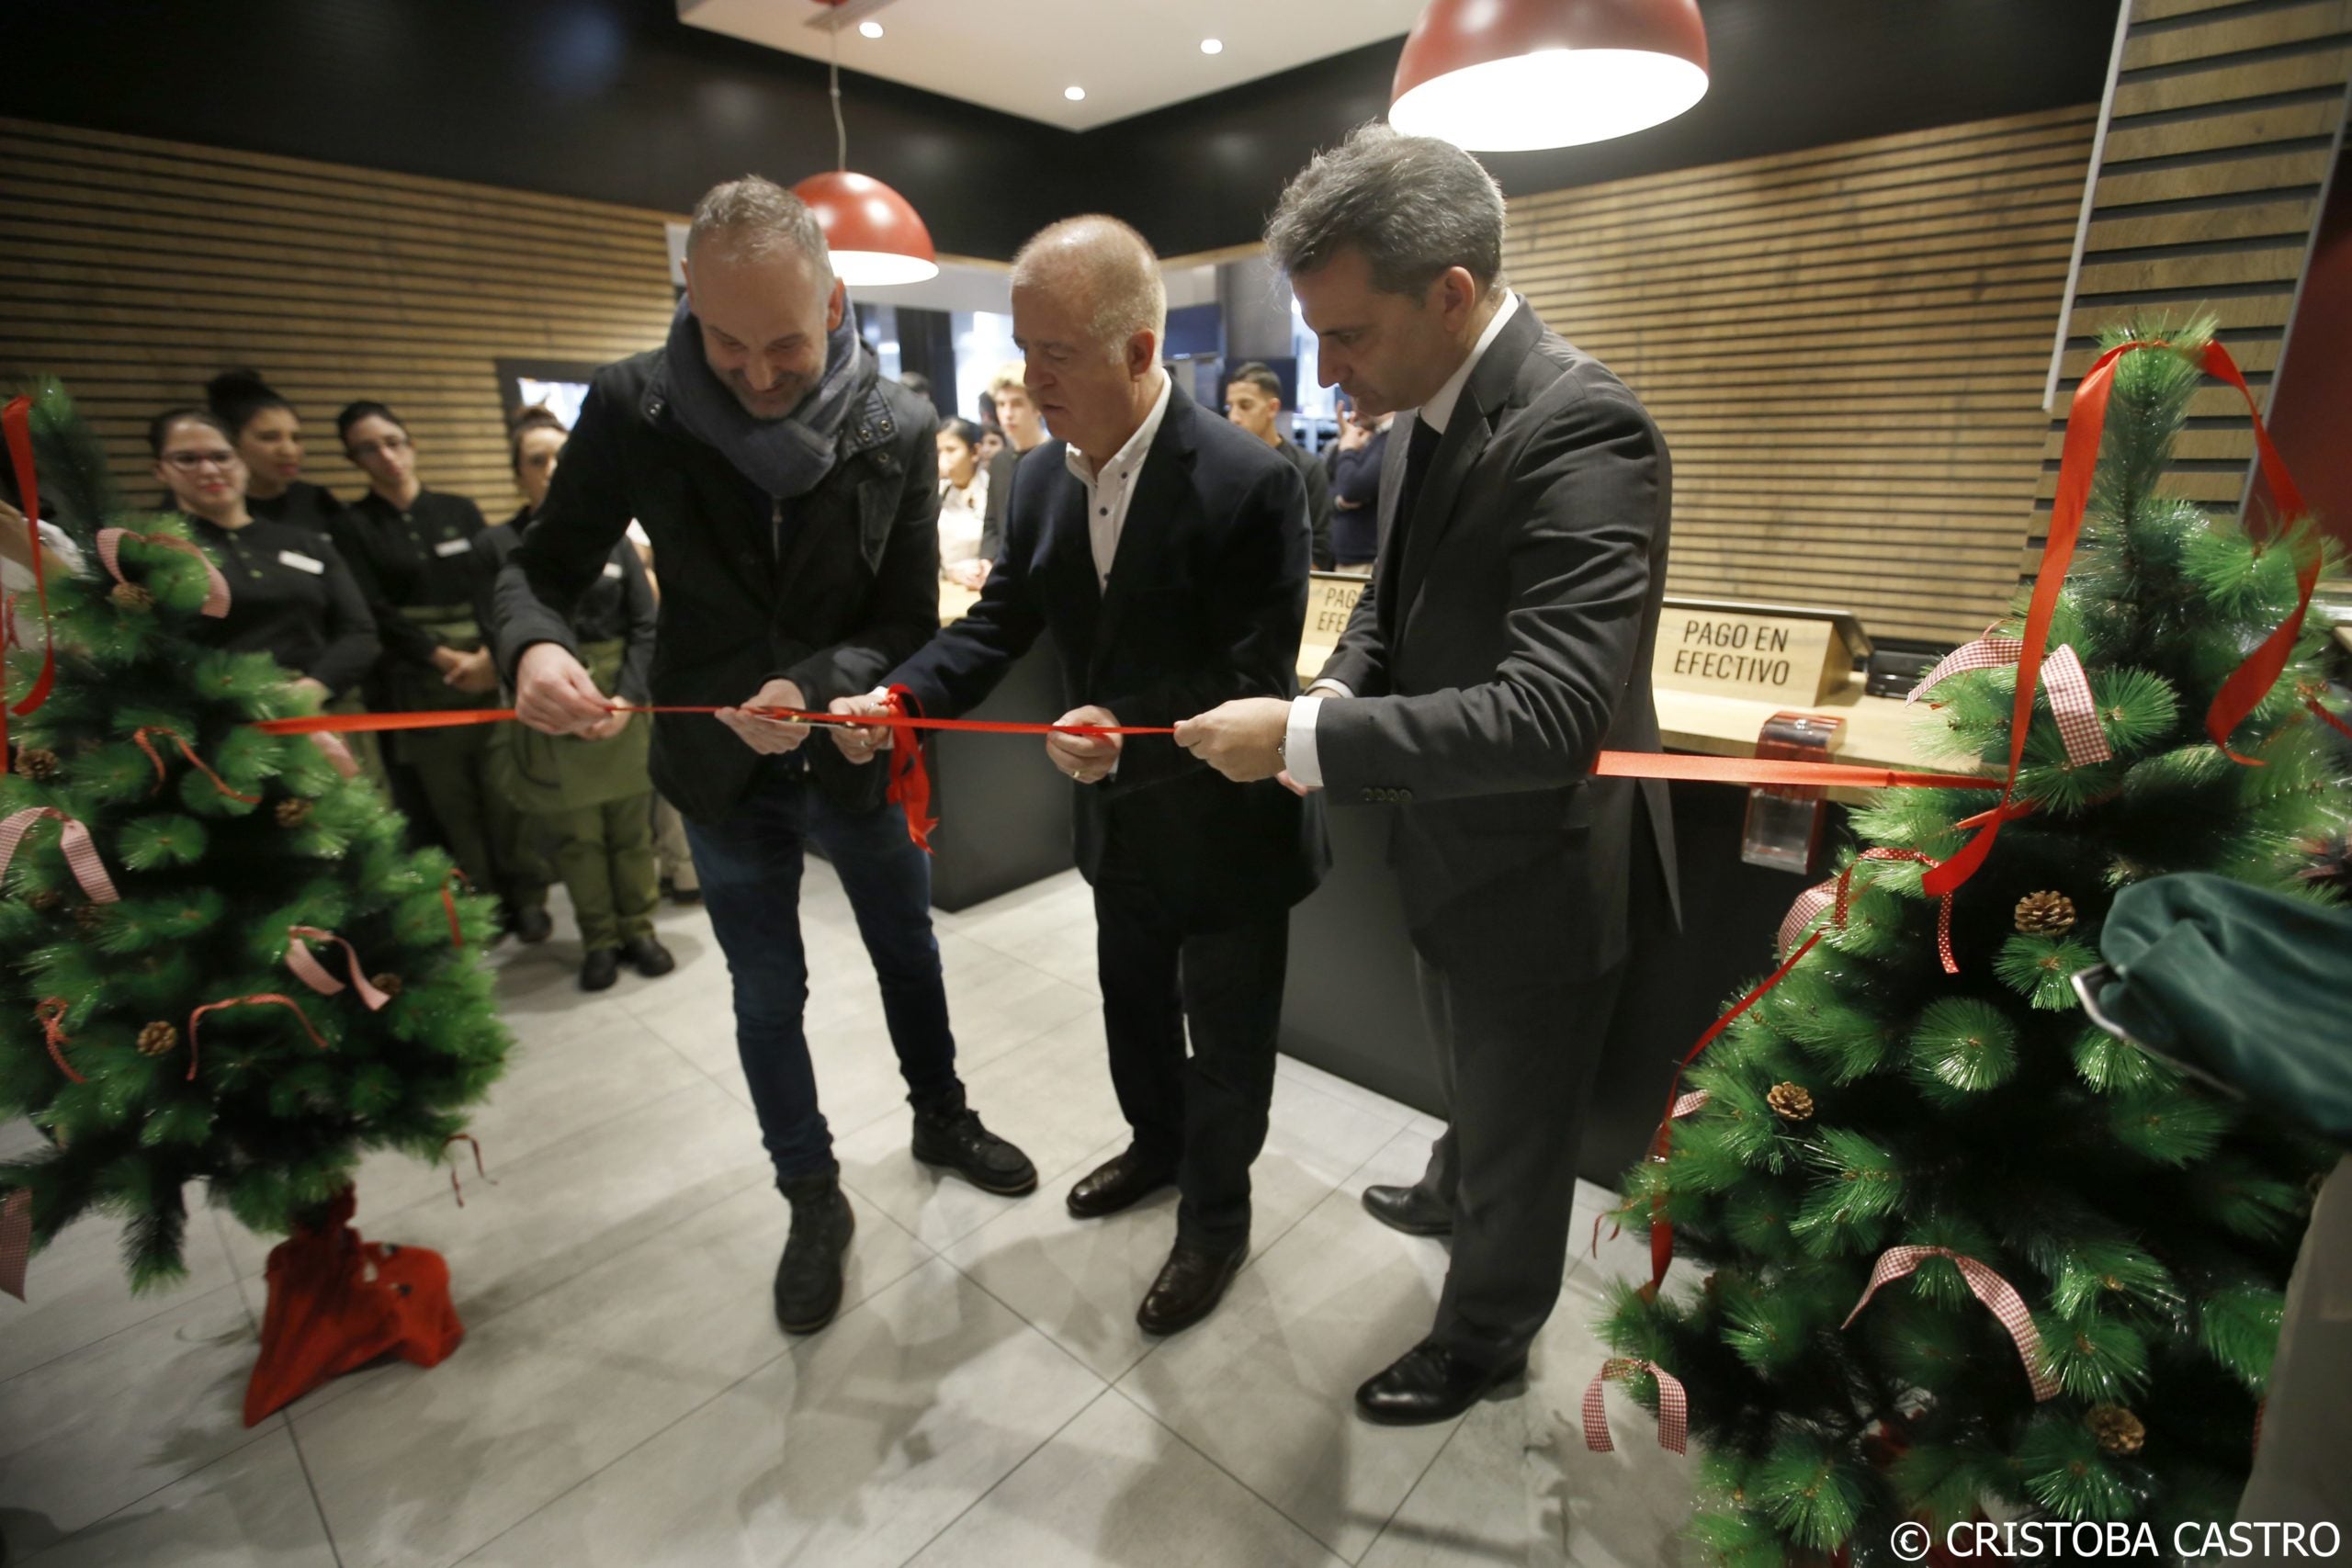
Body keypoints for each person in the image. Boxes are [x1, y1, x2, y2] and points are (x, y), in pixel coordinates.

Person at [1176, 124, 1681, 1423]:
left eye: (1347, 335)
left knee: (1524, 1109)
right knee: (1473, 1067)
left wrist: (1303, 742)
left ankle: (1488, 1329)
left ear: (1451, 292)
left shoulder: (1587, 428)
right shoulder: (1413, 415)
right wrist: (1334, 689)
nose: (1326, 369)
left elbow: (1550, 714)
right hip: (1444, 834)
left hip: (1540, 860)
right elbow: (1387, 612)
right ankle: (1461, 1178)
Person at [497, 175, 1036, 1337]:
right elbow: (537, 572)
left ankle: (940, 1118)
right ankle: (811, 1195)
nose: (752, 372)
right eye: (724, 342)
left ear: (836, 303)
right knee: (764, 990)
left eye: (783, 343)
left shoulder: (893, 421)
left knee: (908, 950)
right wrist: (534, 646)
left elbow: (904, 623)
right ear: (687, 302)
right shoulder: (635, 405)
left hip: (846, 749)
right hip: (713, 766)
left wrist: (829, 686)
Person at [831, 216, 1328, 1337]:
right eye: (1023, 347)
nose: (1027, 376)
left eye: (1055, 352)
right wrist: (900, 700)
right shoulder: (1039, 482)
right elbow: (1004, 619)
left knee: (1228, 1036)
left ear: (1139, 351)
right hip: (1116, 822)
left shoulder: (1250, 481)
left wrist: (1126, 718)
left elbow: (1252, 670)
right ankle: (1156, 1153)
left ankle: (1216, 1214)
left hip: (1228, 823)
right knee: (1130, 1012)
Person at [332, 400, 550, 942]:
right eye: (369, 448)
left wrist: (487, 652)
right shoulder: (354, 526)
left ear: (410, 442)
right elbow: (372, 611)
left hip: (485, 665)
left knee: (507, 792)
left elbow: (494, 587)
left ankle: (530, 897)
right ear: (353, 458)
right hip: (419, 682)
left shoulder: (458, 509)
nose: (387, 455)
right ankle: (482, 903)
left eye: (393, 440)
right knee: (453, 803)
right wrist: (439, 655)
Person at [481, 409, 673, 992]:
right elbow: (498, 628)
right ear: (518, 475)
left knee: (632, 830)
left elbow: (646, 624)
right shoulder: (500, 545)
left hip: (623, 699)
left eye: (562, 455)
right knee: (577, 837)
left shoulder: (616, 540)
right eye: (537, 460)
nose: (552, 468)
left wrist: (628, 697)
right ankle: (599, 939)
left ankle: (640, 927)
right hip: (551, 700)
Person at [149, 408, 379, 704]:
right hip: (220, 715)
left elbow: (359, 630)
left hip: (322, 706)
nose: (209, 470)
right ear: (159, 470)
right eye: (187, 459)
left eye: (221, 457)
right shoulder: (155, 553)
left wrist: (311, 689)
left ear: (243, 462)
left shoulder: (306, 542)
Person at [205, 369, 349, 536]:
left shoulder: (315, 499)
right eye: (269, 438)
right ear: (231, 443)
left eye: (296, 438)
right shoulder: (214, 507)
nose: (289, 451)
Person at [1225, 361, 1337, 570]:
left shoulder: (1306, 468)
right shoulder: (1223, 469)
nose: (1234, 417)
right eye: (1230, 407)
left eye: (1245, 405)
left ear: (1272, 408)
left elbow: (1320, 548)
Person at [1327, 404, 1389, 572]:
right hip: (1345, 557)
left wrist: (1348, 449)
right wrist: (1346, 440)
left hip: (1369, 560)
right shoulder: (1369, 441)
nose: (1357, 409)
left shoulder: (1389, 438)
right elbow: (1331, 487)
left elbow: (1352, 488)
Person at [933, 416, 993, 590]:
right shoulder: (936, 494)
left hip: (985, 584)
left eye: (951, 450)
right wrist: (949, 572)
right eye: (939, 451)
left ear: (974, 452)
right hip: (946, 586)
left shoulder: (992, 490)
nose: (943, 458)